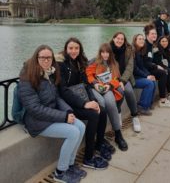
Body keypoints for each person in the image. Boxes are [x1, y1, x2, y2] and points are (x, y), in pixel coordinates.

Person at [18, 45, 85, 183]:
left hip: (52, 115)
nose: (46, 60)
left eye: (49, 58)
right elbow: (34, 109)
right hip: (36, 121)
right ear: (36, 58)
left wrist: (68, 111)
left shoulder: (50, 73)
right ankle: (60, 172)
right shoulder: (27, 77)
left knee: (81, 126)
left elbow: (57, 98)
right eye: (42, 57)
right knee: (73, 132)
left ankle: (70, 165)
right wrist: (64, 117)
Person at [57, 37, 112, 170]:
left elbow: (86, 84)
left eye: (76, 48)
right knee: (93, 115)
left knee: (102, 110)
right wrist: (84, 104)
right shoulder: (61, 64)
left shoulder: (80, 62)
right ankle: (88, 157)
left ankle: (98, 144)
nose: (74, 51)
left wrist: (93, 100)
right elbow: (63, 91)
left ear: (80, 49)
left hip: (80, 97)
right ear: (66, 49)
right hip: (68, 103)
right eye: (71, 48)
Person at [86, 43, 128, 151]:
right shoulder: (94, 61)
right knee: (102, 105)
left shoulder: (114, 64)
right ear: (100, 53)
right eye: (103, 52)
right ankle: (100, 137)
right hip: (95, 88)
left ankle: (118, 134)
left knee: (110, 102)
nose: (105, 55)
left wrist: (109, 85)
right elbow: (89, 74)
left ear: (110, 53)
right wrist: (95, 83)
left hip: (107, 88)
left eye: (107, 52)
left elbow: (116, 78)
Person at [110, 32, 141, 133]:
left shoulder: (128, 50)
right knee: (119, 91)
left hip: (125, 77)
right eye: (117, 38)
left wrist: (122, 80)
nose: (119, 41)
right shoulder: (108, 49)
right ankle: (118, 113)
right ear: (113, 39)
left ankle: (135, 116)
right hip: (112, 78)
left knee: (128, 91)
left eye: (121, 39)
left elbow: (130, 67)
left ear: (124, 41)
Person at [143, 24, 170, 108]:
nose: (154, 35)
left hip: (151, 66)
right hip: (146, 70)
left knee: (167, 70)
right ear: (147, 35)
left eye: (155, 34)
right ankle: (163, 100)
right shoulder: (145, 45)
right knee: (163, 73)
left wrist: (158, 65)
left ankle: (169, 94)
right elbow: (145, 62)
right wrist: (156, 66)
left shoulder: (152, 45)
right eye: (152, 34)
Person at [132, 34, 157, 112]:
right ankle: (142, 106)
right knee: (149, 83)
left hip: (138, 75)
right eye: (139, 39)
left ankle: (149, 103)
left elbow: (142, 67)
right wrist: (146, 76)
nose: (142, 40)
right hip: (133, 78)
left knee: (153, 80)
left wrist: (149, 75)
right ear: (135, 41)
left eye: (143, 39)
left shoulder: (140, 51)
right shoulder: (132, 51)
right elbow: (134, 69)